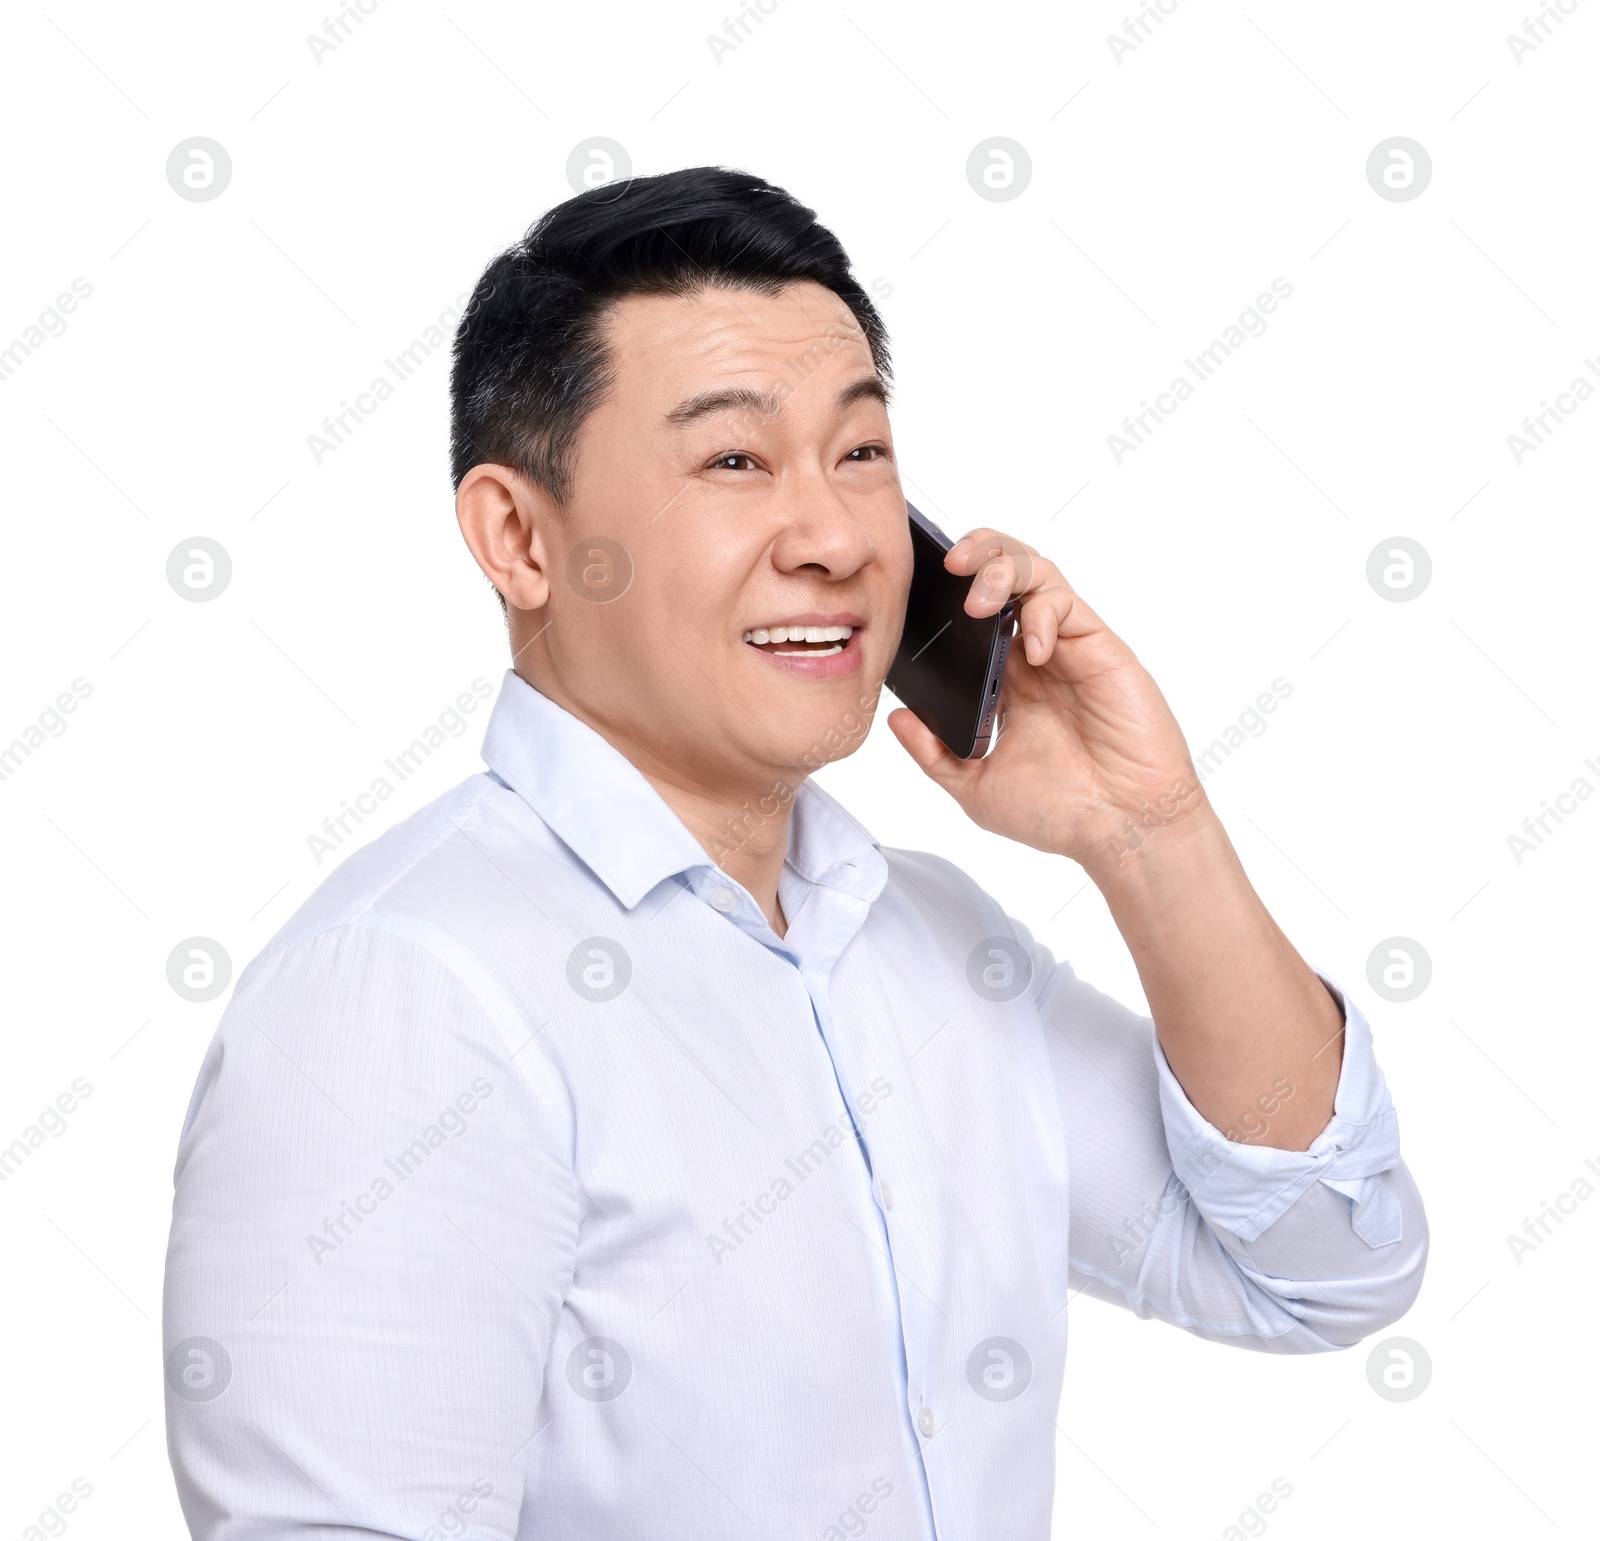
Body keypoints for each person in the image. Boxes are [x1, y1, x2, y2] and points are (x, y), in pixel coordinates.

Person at [163, 166, 1427, 1540]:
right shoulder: (404, 995)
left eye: (863, 453)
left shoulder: (933, 944)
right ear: (520, 538)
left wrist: (1145, 832)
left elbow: (1321, 1265)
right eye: (734, 460)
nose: (833, 537)